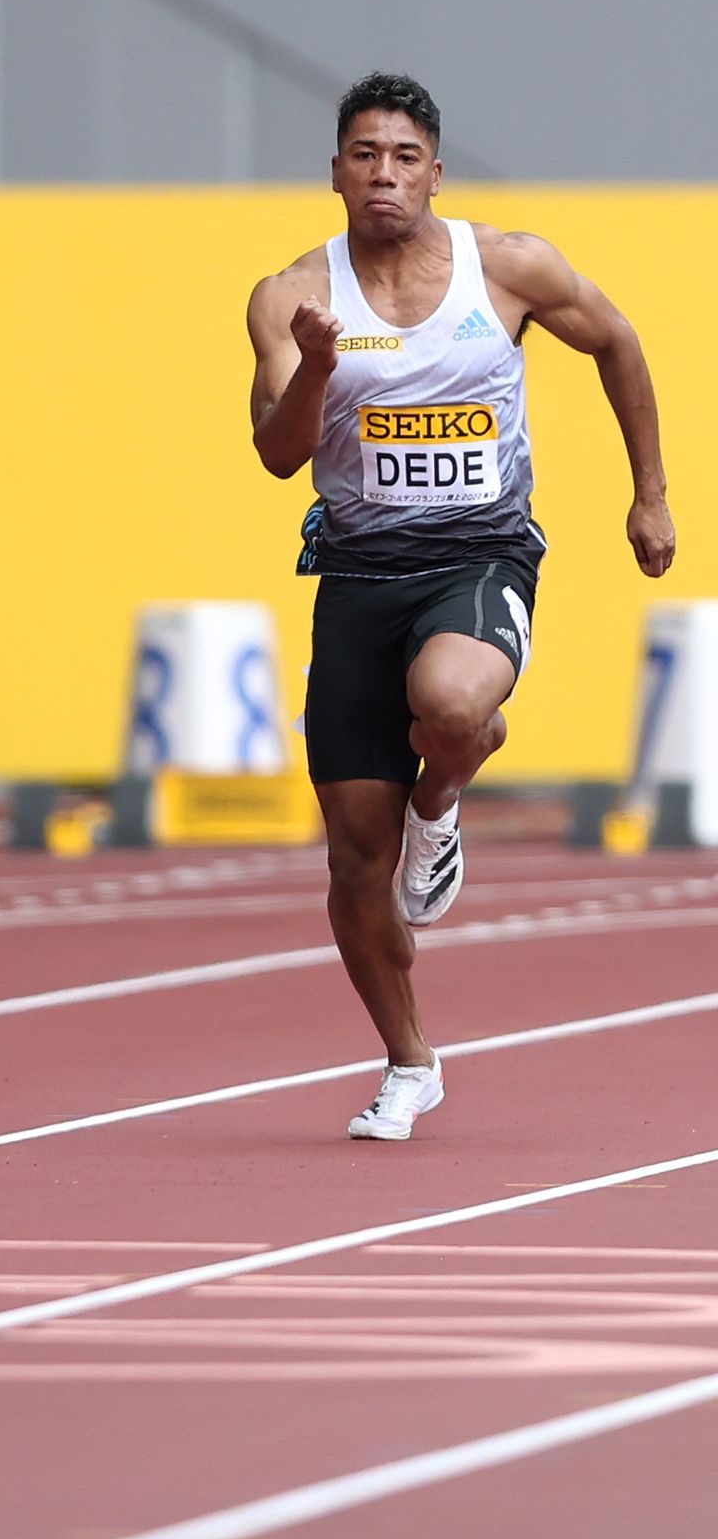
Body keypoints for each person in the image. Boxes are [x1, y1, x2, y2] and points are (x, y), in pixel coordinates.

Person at [247, 71, 676, 1142]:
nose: (382, 174)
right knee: (351, 858)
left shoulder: (507, 267)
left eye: (402, 156)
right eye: (361, 154)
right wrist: (316, 367)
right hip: (355, 577)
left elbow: (617, 341)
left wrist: (651, 495)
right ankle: (408, 1059)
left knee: (448, 700)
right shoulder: (292, 293)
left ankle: (439, 800)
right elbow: (274, 454)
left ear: (434, 171)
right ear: (335, 170)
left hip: (480, 555)